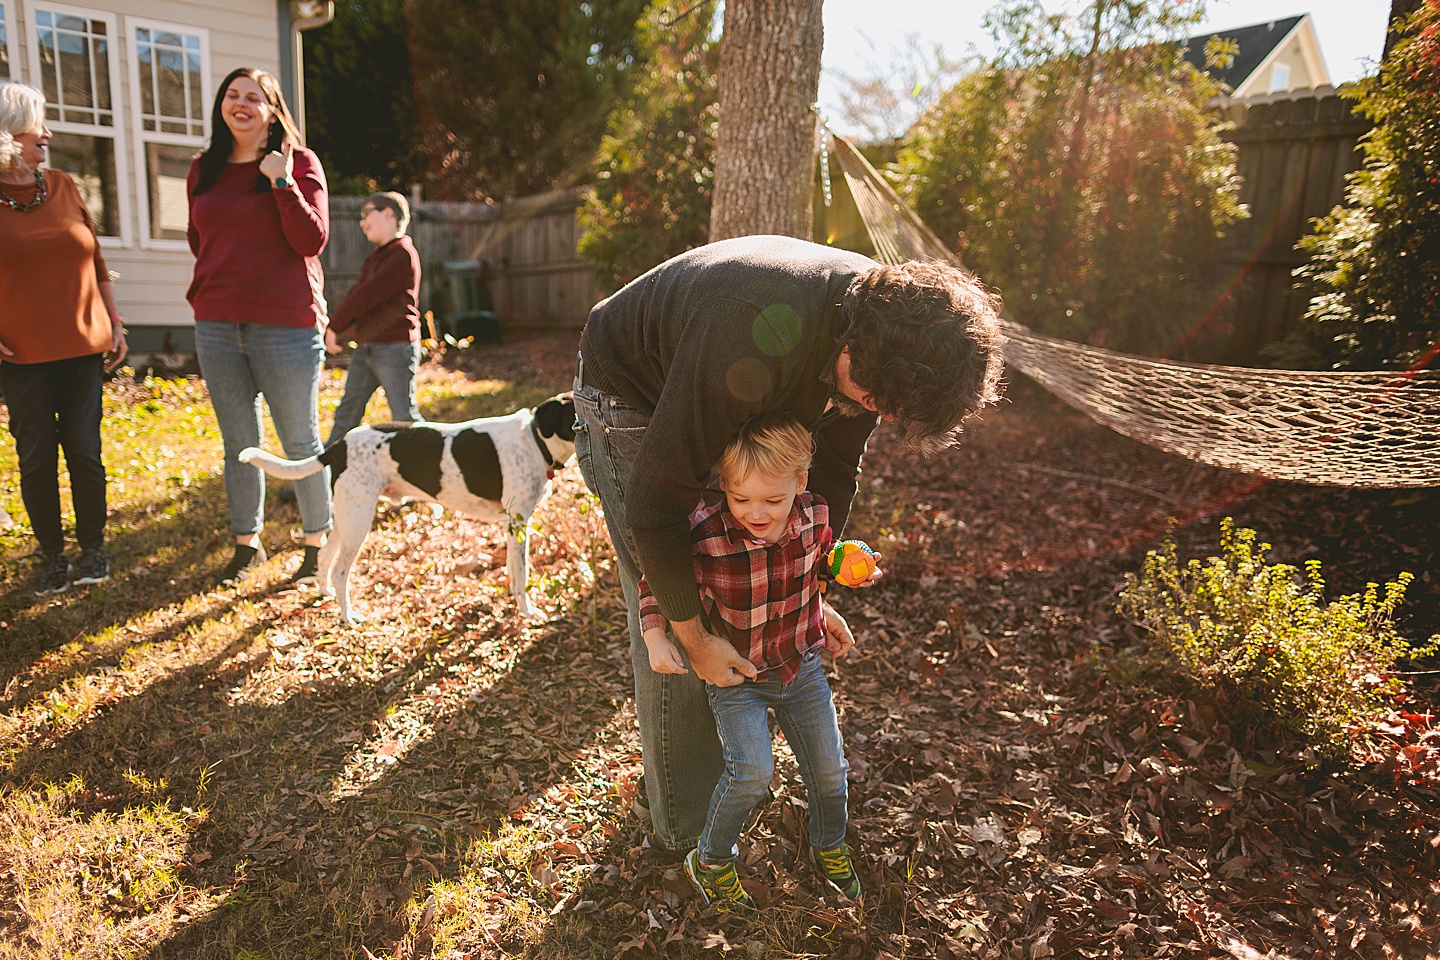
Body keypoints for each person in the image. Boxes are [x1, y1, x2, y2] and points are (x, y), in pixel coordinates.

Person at [573, 234, 1005, 855]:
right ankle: (686, 823)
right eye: (876, 401)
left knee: (721, 600)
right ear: (853, 348)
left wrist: (813, 588)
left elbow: (829, 477)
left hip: (725, 376)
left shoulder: (886, 341)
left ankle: (729, 777)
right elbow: (656, 502)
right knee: (682, 613)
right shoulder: (754, 331)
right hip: (631, 393)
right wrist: (693, 636)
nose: (877, 413)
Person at [637, 415, 864, 906]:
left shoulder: (816, 516)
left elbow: (818, 569)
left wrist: (837, 589)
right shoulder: (706, 533)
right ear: (724, 486)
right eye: (741, 499)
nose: (756, 513)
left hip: (799, 666)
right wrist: (656, 636)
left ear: (800, 483)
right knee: (752, 772)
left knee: (830, 770)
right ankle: (711, 858)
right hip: (737, 674)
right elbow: (659, 582)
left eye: (773, 500)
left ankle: (829, 844)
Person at [187, 67, 331, 588]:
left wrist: (281, 180)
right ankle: (247, 546)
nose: (241, 103)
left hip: (285, 325)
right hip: (217, 324)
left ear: (273, 111)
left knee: (299, 440)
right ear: (221, 106)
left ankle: (317, 544)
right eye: (232, 95)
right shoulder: (203, 168)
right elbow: (199, 238)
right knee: (238, 443)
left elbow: (311, 240)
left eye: (254, 97)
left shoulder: (300, 163)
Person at [0, 80, 128, 595]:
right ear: (8, 132)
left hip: (82, 346)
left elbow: (95, 259)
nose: (46, 134)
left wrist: (115, 322)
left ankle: (93, 550)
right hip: (21, 353)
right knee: (35, 456)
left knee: (84, 449)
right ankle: (52, 556)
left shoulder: (65, 186)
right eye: (37, 124)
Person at [324, 191, 424, 443]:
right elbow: (361, 296)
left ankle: (428, 471)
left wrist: (335, 325)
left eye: (367, 213)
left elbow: (368, 295)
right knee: (347, 414)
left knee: (404, 417)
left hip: (394, 348)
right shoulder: (378, 256)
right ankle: (325, 473)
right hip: (367, 347)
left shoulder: (402, 254)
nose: (362, 222)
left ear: (389, 214)